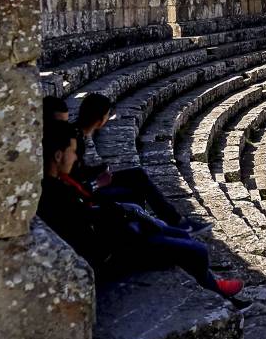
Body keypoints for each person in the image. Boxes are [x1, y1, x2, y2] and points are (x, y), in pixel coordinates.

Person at [39, 122, 241, 297]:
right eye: (73, 152)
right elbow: (91, 227)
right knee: (198, 251)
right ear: (58, 155)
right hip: (116, 253)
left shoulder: (58, 184)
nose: (75, 157)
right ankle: (218, 293)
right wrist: (131, 223)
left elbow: (93, 212)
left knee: (180, 235)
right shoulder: (55, 194)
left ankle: (213, 283)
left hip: (118, 238)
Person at [72, 92, 211, 236]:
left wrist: (99, 169)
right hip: (88, 191)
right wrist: (97, 183)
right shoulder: (74, 140)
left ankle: (172, 222)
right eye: (108, 115)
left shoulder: (80, 134)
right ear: (101, 119)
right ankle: (172, 223)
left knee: (137, 175)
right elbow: (72, 183)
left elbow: (81, 169)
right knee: (136, 183)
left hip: (92, 182)